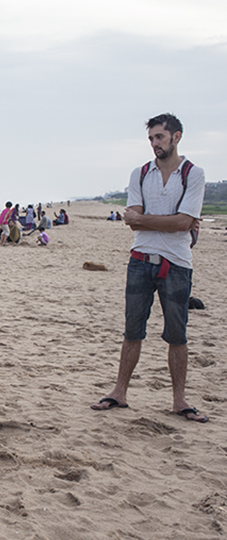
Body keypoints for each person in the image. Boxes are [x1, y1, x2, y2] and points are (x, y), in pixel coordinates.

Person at [92, 113, 207, 423]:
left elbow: (182, 222)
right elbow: (134, 221)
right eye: (151, 138)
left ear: (176, 136)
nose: (155, 143)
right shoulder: (140, 173)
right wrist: (167, 222)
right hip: (140, 261)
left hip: (177, 264)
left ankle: (179, 399)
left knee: (177, 335)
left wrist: (147, 220)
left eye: (160, 137)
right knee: (132, 331)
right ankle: (119, 392)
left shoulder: (193, 174)